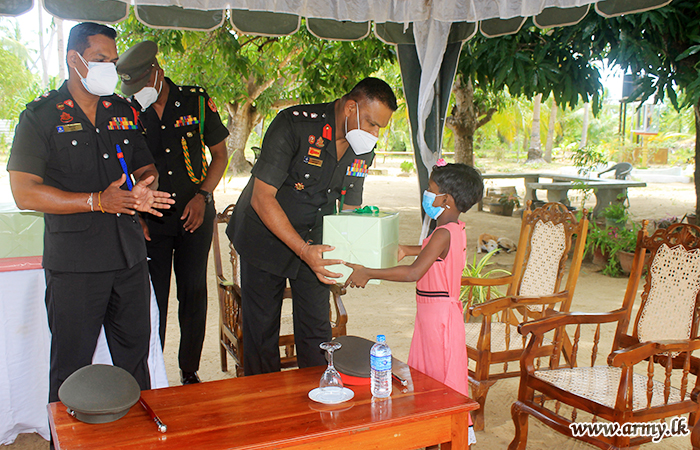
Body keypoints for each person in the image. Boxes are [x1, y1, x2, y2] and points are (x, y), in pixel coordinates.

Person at [6, 22, 174, 405]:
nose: (109, 69)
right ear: (74, 59)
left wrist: (144, 187)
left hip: (129, 259)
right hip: (76, 266)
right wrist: (97, 201)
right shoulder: (41, 116)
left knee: (135, 365)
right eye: (100, 59)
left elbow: (146, 166)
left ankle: (136, 435)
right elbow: (24, 192)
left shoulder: (122, 111)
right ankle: (66, 435)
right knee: (71, 371)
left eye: (113, 61)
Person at [227, 78, 397, 375]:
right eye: (371, 123)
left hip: (315, 243)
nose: (374, 134)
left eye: (380, 127)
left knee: (317, 331)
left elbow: (349, 209)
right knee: (262, 330)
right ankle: (265, 399)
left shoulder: (362, 148)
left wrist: (350, 260)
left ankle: (319, 394)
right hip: (264, 236)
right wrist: (303, 250)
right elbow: (262, 198)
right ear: (350, 108)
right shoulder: (294, 125)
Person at [344, 160, 482, 445]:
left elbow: (413, 273)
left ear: (445, 199)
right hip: (434, 316)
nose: (426, 195)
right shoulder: (453, 228)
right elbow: (435, 252)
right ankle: (433, 436)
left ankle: (447, 437)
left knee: (441, 384)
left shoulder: (442, 232)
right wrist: (408, 249)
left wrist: (368, 273)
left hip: (438, 321)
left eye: (431, 189)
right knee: (430, 380)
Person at [116, 41, 229, 385]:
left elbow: (220, 155)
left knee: (193, 293)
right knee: (154, 298)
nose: (138, 92)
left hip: (195, 214)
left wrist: (203, 197)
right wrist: (137, 215)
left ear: (157, 72)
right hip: (152, 221)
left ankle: (189, 371)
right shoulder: (127, 110)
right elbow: (122, 168)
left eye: (141, 84)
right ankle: (154, 372)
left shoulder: (196, 101)